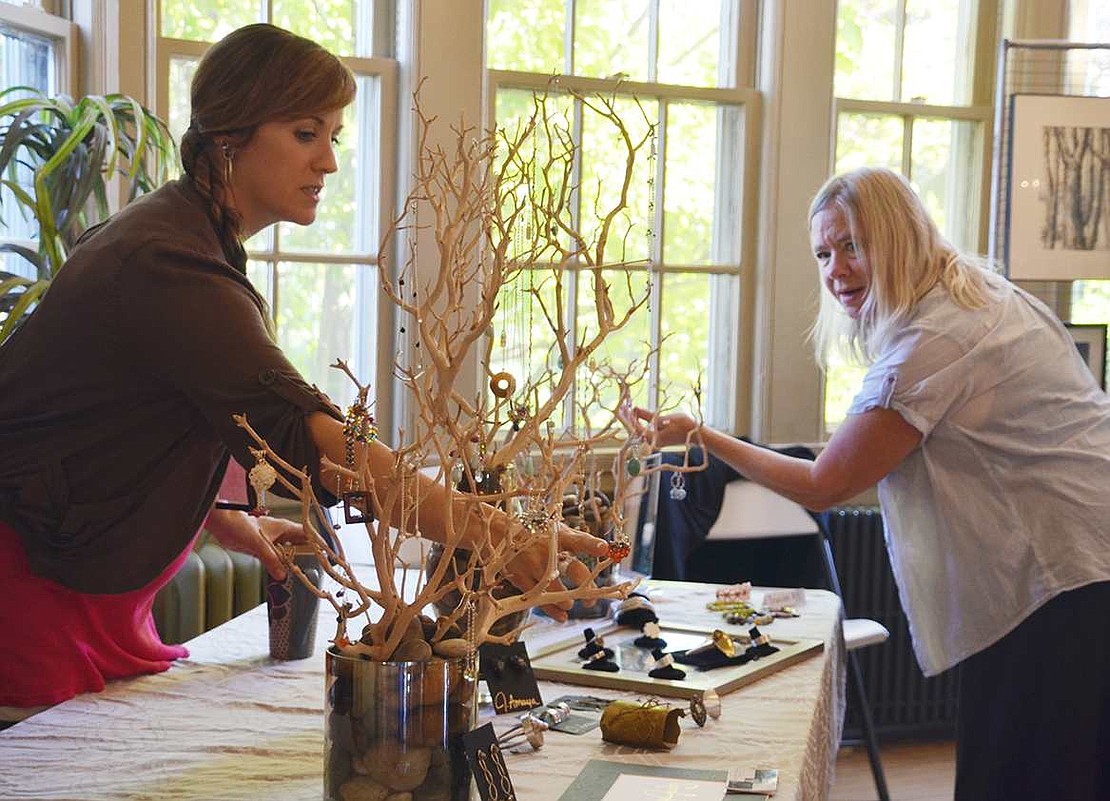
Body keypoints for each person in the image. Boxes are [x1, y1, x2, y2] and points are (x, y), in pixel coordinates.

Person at [0, 23, 607, 720]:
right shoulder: (166, 260)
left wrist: (227, 521)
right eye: (305, 133)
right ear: (229, 135)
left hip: (87, 596)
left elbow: (165, 407)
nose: (329, 163)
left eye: (335, 138)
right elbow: (308, 430)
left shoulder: (193, 239)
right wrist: (493, 532)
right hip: (29, 599)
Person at [630, 166, 1110, 800]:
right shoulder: (970, 297)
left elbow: (829, 484)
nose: (835, 270)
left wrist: (702, 437)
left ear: (898, 235)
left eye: (853, 245)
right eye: (824, 254)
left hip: (1061, 585)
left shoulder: (935, 337)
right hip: (1070, 574)